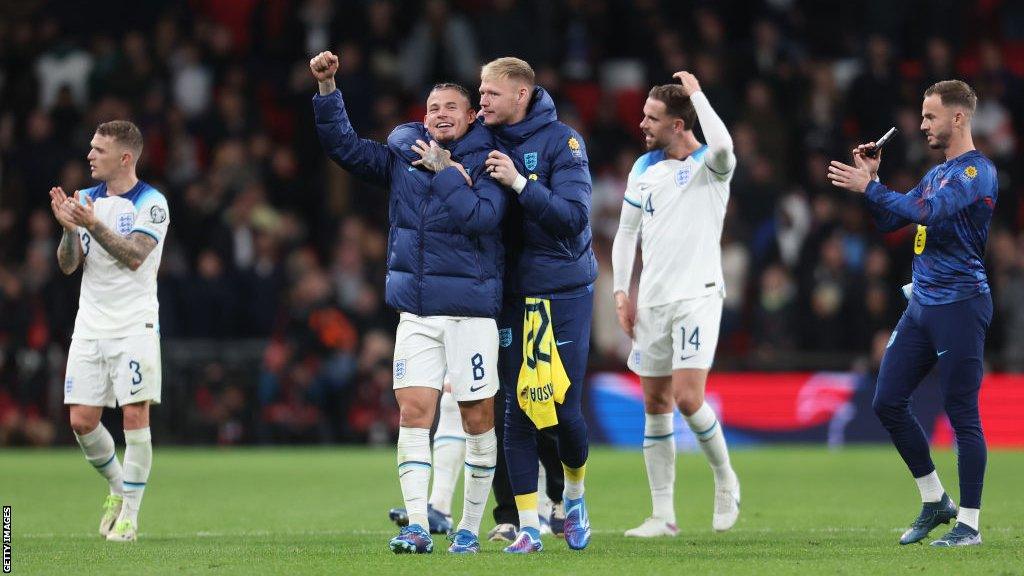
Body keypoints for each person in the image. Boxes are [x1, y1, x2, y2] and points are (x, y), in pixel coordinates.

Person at [310, 50, 506, 554]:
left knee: (476, 418)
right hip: (416, 312)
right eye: (433, 107)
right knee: (414, 411)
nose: (440, 114)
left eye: (451, 107)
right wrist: (328, 90)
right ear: (424, 117)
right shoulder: (402, 157)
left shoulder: (489, 162)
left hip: (471, 313)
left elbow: (481, 220)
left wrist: (445, 170)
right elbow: (346, 149)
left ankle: (468, 525)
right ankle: (418, 524)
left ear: (471, 117)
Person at [827, 80, 996, 547]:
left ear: (958, 118)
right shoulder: (939, 172)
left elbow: (930, 212)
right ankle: (934, 499)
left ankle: (970, 525)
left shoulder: (975, 173)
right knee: (887, 401)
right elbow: (891, 221)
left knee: (962, 413)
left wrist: (870, 188)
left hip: (960, 305)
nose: (921, 125)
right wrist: (874, 183)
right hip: (922, 304)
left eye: (929, 116)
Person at [611, 72, 741, 537]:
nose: (642, 123)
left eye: (653, 117)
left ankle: (725, 479)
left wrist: (699, 94)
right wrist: (622, 292)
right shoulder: (644, 168)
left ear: (680, 124)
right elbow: (626, 234)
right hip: (653, 303)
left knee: (688, 398)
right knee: (655, 402)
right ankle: (662, 516)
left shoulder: (711, 164)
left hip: (697, 296)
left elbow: (724, 143)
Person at [478, 56, 596, 553]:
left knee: (561, 408)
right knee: (515, 408)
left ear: (521, 95)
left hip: (562, 289)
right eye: (479, 92)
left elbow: (572, 217)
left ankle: (573, 495)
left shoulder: (563, 142)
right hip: (509, 293)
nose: (481, 100)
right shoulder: (480, 139)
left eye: (491, 93)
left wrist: (520, 183)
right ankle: (528, 526)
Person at [51, 120, 169, 542]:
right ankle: (119, 488)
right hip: (90, 325)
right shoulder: (86, 201)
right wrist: (69, 229)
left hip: (135, 323)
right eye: (90, 147)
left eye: (98, 150)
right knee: (82, 421)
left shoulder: (152, 203)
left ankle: (130, 518)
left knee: (135, 416)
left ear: (124, 158)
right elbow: (68, 265)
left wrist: (92, 224)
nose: (89, 155)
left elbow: (135, 256)